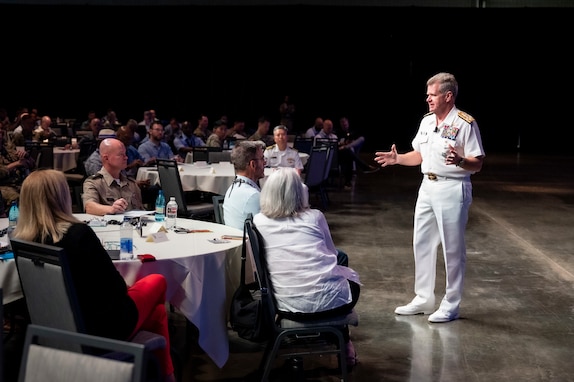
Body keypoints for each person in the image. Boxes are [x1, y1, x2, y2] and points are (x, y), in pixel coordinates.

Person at [13, 169, 175, 382]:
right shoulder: (78, 234)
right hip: (101, 330)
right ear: (62, 197)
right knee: (157, 281)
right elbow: (116, 288)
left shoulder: (23, 241)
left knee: (156, 314)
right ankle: (164, 375)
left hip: (50, 329)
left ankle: (163, 375)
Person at [374, 72, 485, 323]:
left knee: (452, 249)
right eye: (427, 95)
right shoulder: (426, 122)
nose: (428, 99)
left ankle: (451, 303)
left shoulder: (465, 123)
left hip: (452, 187)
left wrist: (460, 161)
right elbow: (419, 155)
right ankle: (423, 298)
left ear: (448, 96)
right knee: (421, 243)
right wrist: (398, 159)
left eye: (432, 95)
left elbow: (477, 164)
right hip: (427, 186)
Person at [253, 167, 360, 367]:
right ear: (299, 191)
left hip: (285, 305)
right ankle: (344, 342)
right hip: (329, 304)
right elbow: (331, 255)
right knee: (345, 272)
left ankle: (338, 340)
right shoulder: (315, 216)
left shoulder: (258, 221)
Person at [82, 138, 145, 215]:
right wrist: (112, 209)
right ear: (106, 158)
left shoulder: (131, 184)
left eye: (125, 154)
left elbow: (141, 210)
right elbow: (90, 207)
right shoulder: (94, 183)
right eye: (121, 155)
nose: (126, 157)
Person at [223, 140, 267, 230]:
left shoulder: (232, 188)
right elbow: (267, 230)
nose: (265, 163)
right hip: (249, 243)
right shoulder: (253, 196)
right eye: (262, 159)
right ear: (253, 165)